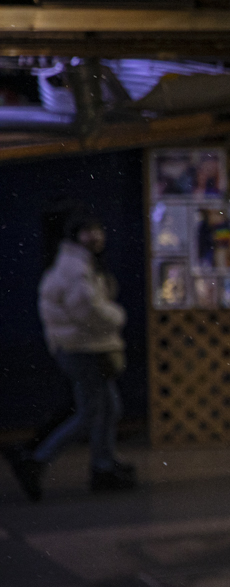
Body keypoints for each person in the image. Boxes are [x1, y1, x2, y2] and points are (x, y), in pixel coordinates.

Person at [7, 214, 135, 499]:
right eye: (88, 231)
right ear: (75, 236)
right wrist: (118, 316)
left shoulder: (76, 263)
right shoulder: (76, 267)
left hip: (84, 347)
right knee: (92, 410)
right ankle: (37, 461)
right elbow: (86, 309)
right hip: (82, 349)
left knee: (108, 406)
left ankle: (104, 465)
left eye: (98, 229)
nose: (96, 237)